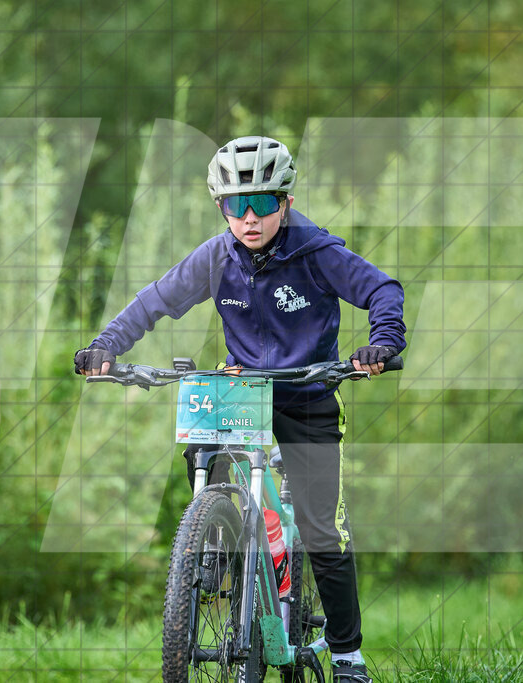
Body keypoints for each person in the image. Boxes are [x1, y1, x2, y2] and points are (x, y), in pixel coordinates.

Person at [75, 136, 405, 682]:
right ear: (220, 207)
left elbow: (382, 290)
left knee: (324, 533)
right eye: (235, 205)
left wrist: (382, 343)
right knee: (203, 446)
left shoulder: (317, 252)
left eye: (262, 203)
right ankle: (222, 537)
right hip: (244, 394)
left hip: (308, 395)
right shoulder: (216, 257)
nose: (248, 218)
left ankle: (347, 656)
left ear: (286, 203)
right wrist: (107, 346)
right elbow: (154, 301)